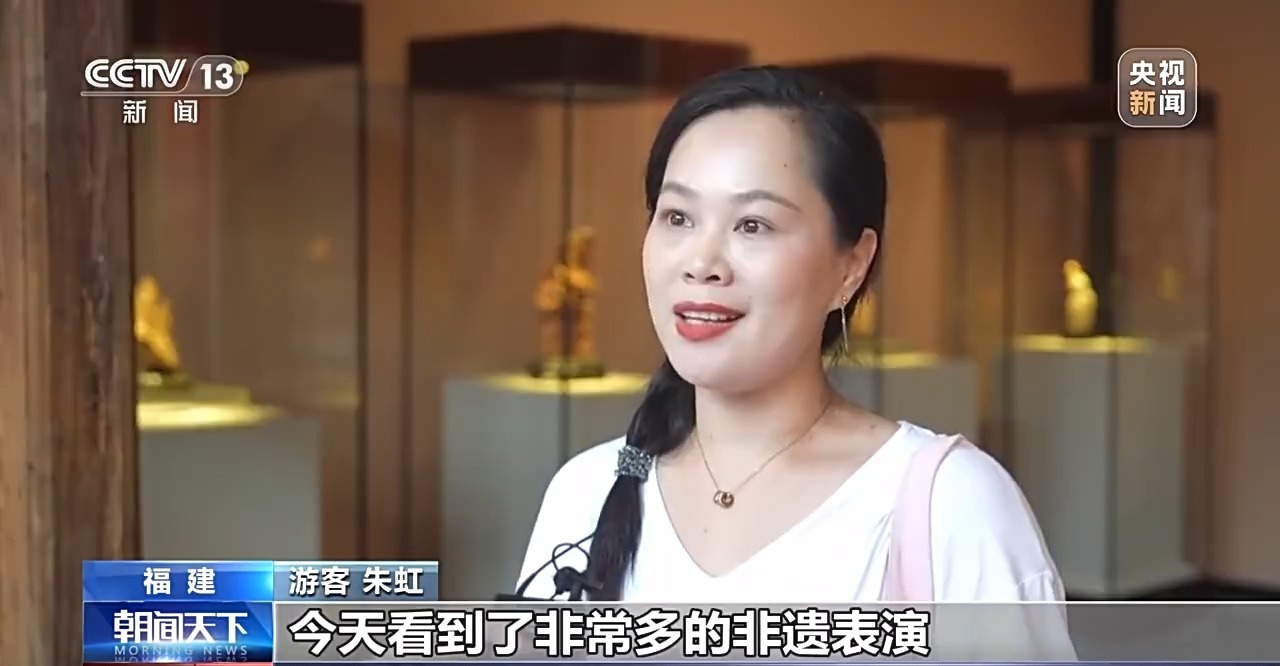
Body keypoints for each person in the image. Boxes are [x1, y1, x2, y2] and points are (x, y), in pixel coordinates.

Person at [515, 66, 1073, 657]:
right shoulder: (585, 494)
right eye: (678, 217)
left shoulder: (949, 506)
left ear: (852, 266)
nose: (702, 263)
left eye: (753, 225)